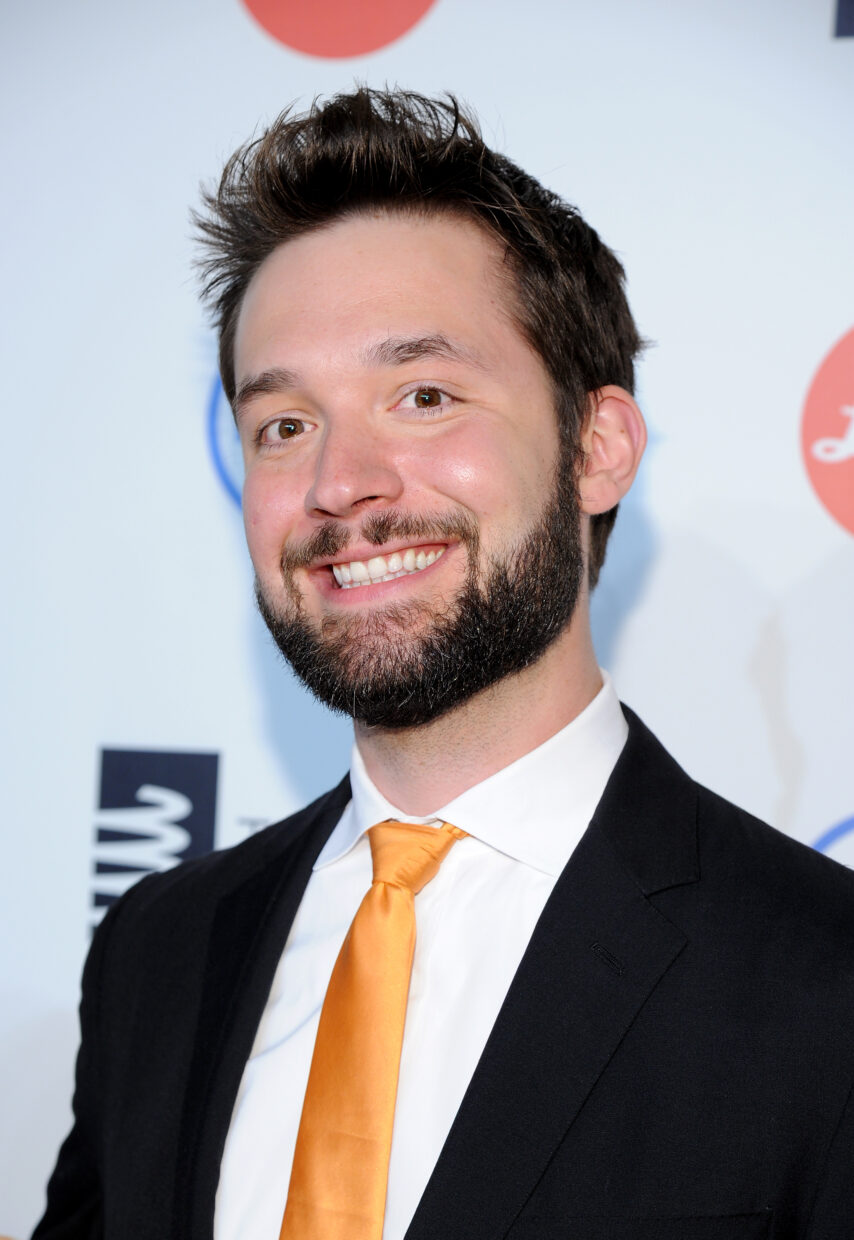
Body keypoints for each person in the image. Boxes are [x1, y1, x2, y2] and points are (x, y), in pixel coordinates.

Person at [35, 89, 854, 1240]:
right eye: (284, 424)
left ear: (598, 447)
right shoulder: (158, 954)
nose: (339, 482)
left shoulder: (821, 983)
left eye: (422, 397)